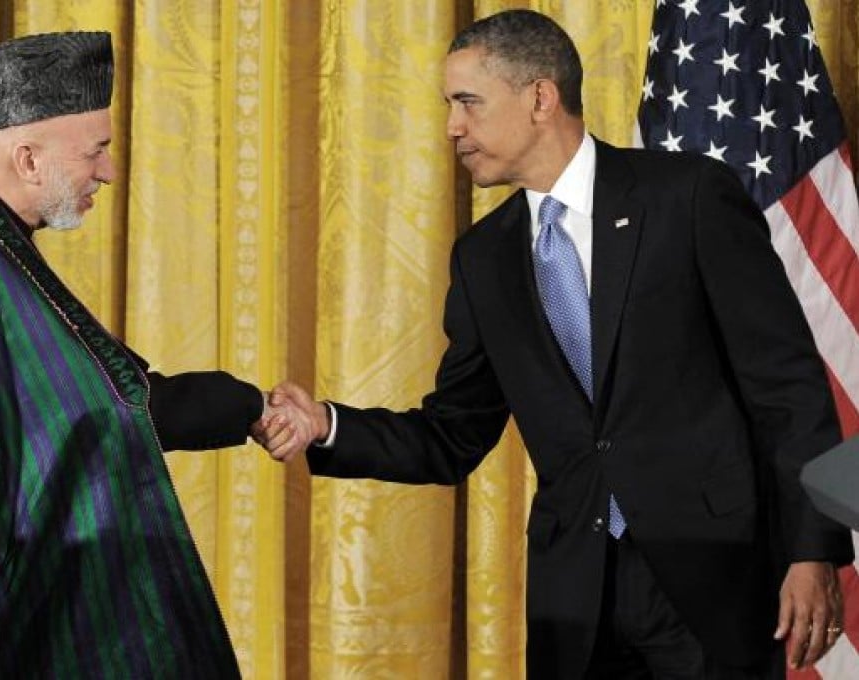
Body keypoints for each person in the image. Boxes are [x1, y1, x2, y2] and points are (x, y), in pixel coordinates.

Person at [264, 9, 854, 679]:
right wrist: (327, 427)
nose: (453, 126)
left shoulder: (685, 198)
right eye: (449, 106)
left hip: (711, 580)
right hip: (577, 600)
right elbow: (453, 433)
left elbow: (786, 386)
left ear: (540, 97)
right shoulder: (483, 259)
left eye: (467, 102)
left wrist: (812, 552)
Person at [0, 31, 302, 677]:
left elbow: (109, 403)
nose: (109, 171)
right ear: (29, 160)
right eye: (99, 150)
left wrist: (247, 405)